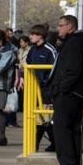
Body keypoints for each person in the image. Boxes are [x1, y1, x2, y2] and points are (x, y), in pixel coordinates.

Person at [48, 15, 83, 165]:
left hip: (69, 93)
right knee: (73, 128)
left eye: (61, 25)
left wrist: (61, 90)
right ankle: (72, 163)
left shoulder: (73, 44)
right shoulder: (80, 43)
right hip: (77, 93)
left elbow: (72, 71)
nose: (58, 28)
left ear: (70, 26)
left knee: (61, 129)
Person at [26, 24, 58, 152]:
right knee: (39, 118)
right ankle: (49, 144)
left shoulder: (50, 50)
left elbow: (55, 68)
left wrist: (46, 81)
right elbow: (28, 62)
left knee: (45, 118)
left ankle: (36, 145)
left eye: (33, 34)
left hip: (47, 89)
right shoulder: (33, 49)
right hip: (35, 88)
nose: (30, 36)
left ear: (41, 36)